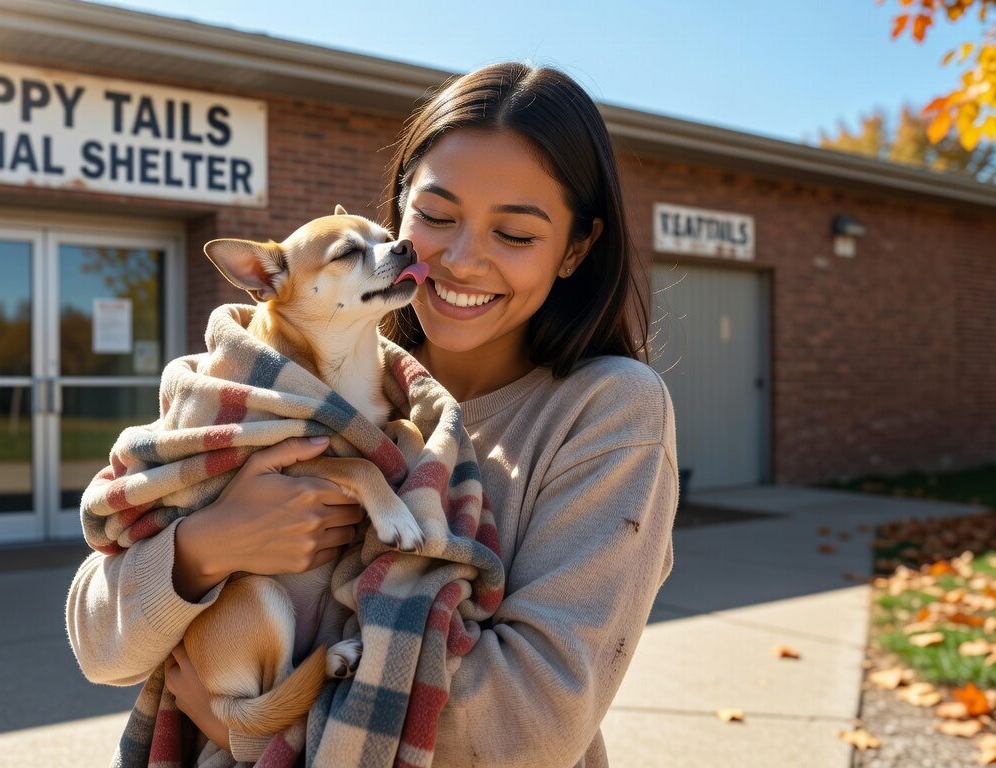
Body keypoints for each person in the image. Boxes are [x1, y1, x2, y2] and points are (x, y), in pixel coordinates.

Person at [66, 61, 679, 768]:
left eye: (514, 235)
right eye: (438, 217)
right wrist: (207, 546)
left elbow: (529, 725)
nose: (460, 259)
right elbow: (98, 644)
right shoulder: (278, 395)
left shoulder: (607, 411)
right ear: (399, 211)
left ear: (575, 249)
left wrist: (257, 733)